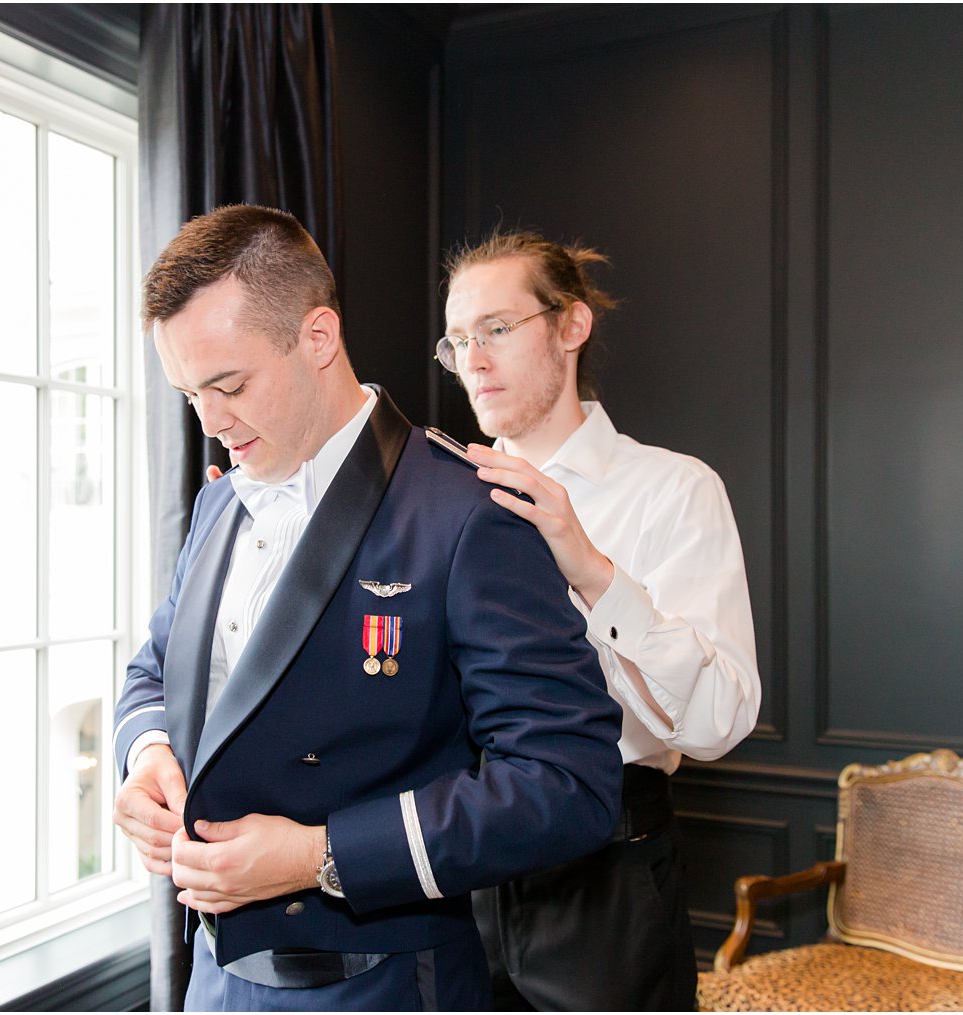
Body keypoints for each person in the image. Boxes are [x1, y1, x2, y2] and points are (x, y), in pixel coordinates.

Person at [111, 205, 623, 1012]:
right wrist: (145, 756)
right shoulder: (218, 503)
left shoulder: (467, 513)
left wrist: (320, 855)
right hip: (211, 984)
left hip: (382, 987)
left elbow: (569, 783)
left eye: (228, 383)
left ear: (318, 338)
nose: (208, 423)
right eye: (186, 392)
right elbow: (155, 667)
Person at [439, 231, 762, 1011]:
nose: (473, 361)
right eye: (457, 341)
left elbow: (720, 718)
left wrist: (591, 567)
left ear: (571, 326)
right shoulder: (440, 500)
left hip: (609, 866)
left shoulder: (677, 491)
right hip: (463, 859)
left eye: (497, 330)